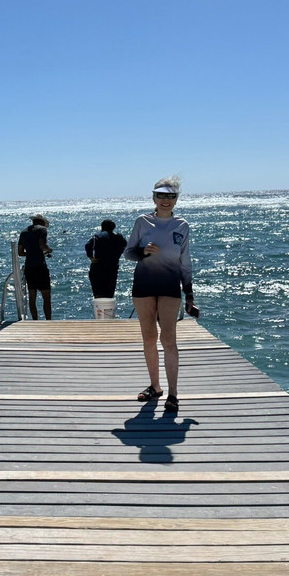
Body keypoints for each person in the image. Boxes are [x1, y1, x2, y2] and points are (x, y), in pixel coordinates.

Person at [125, 177, 198, 413]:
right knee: (148, 338)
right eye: (161, 195)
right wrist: (142, 251)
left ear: (176, 199)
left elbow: (185, 263)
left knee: (168, 340)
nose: (166, 200)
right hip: (143, 285)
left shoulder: (182, 225)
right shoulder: (142, 221)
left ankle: (173, 394)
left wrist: (189, 294)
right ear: (153, 197)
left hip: (169, 286)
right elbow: (128, 253)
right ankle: (155, 387)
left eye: (171, 196)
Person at [18, 213, 53, 320]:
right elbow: (43, 245)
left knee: (32, 296)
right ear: (42, 222)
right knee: (46, 296)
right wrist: (49, 249)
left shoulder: (24, 232)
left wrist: (31, 253)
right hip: (40, 266)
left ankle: (35, 320)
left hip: (29, 266)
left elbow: (20, 252)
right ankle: (48, 321)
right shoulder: (42, 230)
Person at [84, 219, 128, 298]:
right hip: (113, 266)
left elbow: (88, 245)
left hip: (98, 265)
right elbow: (126, 246)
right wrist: (118, 254)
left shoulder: (98, 236)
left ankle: (99, 308)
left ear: (102, 227)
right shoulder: (119, 237)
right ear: (113, 227)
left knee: (98, 293)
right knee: (109, 294)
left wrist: (91, 257)